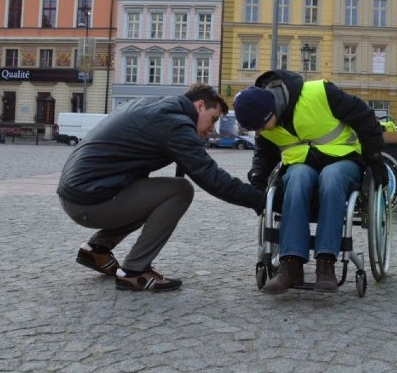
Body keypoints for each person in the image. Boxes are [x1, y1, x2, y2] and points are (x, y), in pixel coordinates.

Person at [57, 84, 265, 292]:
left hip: (79, 194)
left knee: (155, 197)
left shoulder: (156, 107)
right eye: (213, 119)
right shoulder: (174, 123)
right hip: (87, 200)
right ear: (200, 105)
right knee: (180, 190)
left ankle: (97, 250)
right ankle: (134, 271)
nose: (212, 129)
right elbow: (212, 178)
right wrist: (260, 200)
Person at [234, 69, 385, 294]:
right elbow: (264, 157)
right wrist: (257, 183)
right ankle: (291, 263)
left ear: (272, 109)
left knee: (331, 177)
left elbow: (364, 117)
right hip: (302, 166)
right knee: (295, 178)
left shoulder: (320, 93)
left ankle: (326, 263)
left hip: (343, 159)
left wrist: (374, 158)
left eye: (262, 125)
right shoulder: (263, 121)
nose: (261, 131)